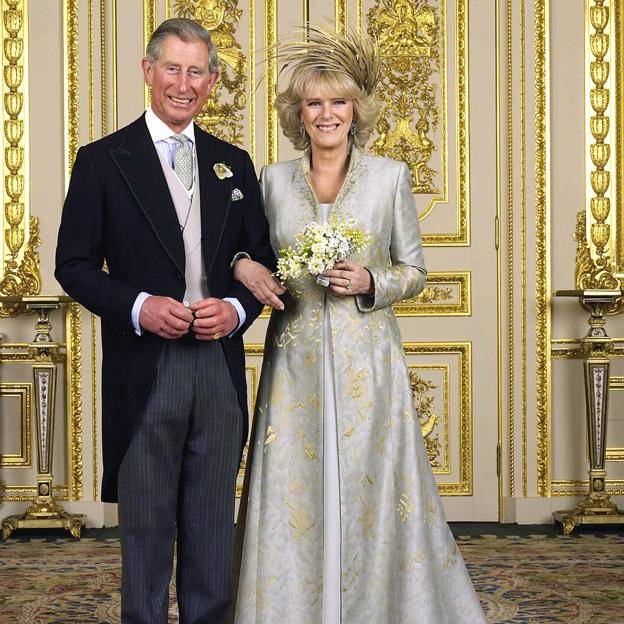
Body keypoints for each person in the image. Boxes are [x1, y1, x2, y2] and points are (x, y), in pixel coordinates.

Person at [231, 27, 486, 623]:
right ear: (299, 113)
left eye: (337, 102)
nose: (326, 114)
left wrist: (372, 282)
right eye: (314, 103)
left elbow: (414, 271)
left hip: (368, 364)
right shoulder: (270, 180)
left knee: (370, 485)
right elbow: (246, 253)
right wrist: (246, 267)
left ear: (356, 111)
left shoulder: (388, 177)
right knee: (294, 487)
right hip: (292, 365)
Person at [55, 18, 275, 623]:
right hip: (144, 368)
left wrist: (233, 311)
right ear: (149, 72)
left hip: (218, 369)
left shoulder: (234, 163)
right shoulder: (103, 161)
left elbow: (259, 264)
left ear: (212, 80)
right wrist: (138, 307)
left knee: (210, 531)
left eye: (197, 71)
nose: (184, 83)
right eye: (173, 68)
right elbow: (72, 266)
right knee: (147, 530)